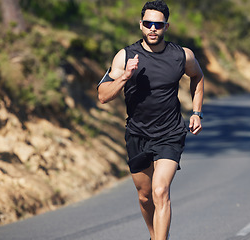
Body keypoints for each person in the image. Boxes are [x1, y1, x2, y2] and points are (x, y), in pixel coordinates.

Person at [97, 1, 204, 239]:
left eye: (158, 24)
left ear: (166, 26)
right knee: (145, 196)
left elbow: (197, 76)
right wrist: (124, 76)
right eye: (148, 24)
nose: (153, 29)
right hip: (137, 134)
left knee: (160, 190)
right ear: (141, 25)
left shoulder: (181, 55)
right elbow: (103, 96)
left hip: (170, 133)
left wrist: (196, 112)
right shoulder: (125, 55)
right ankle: (154, 235)